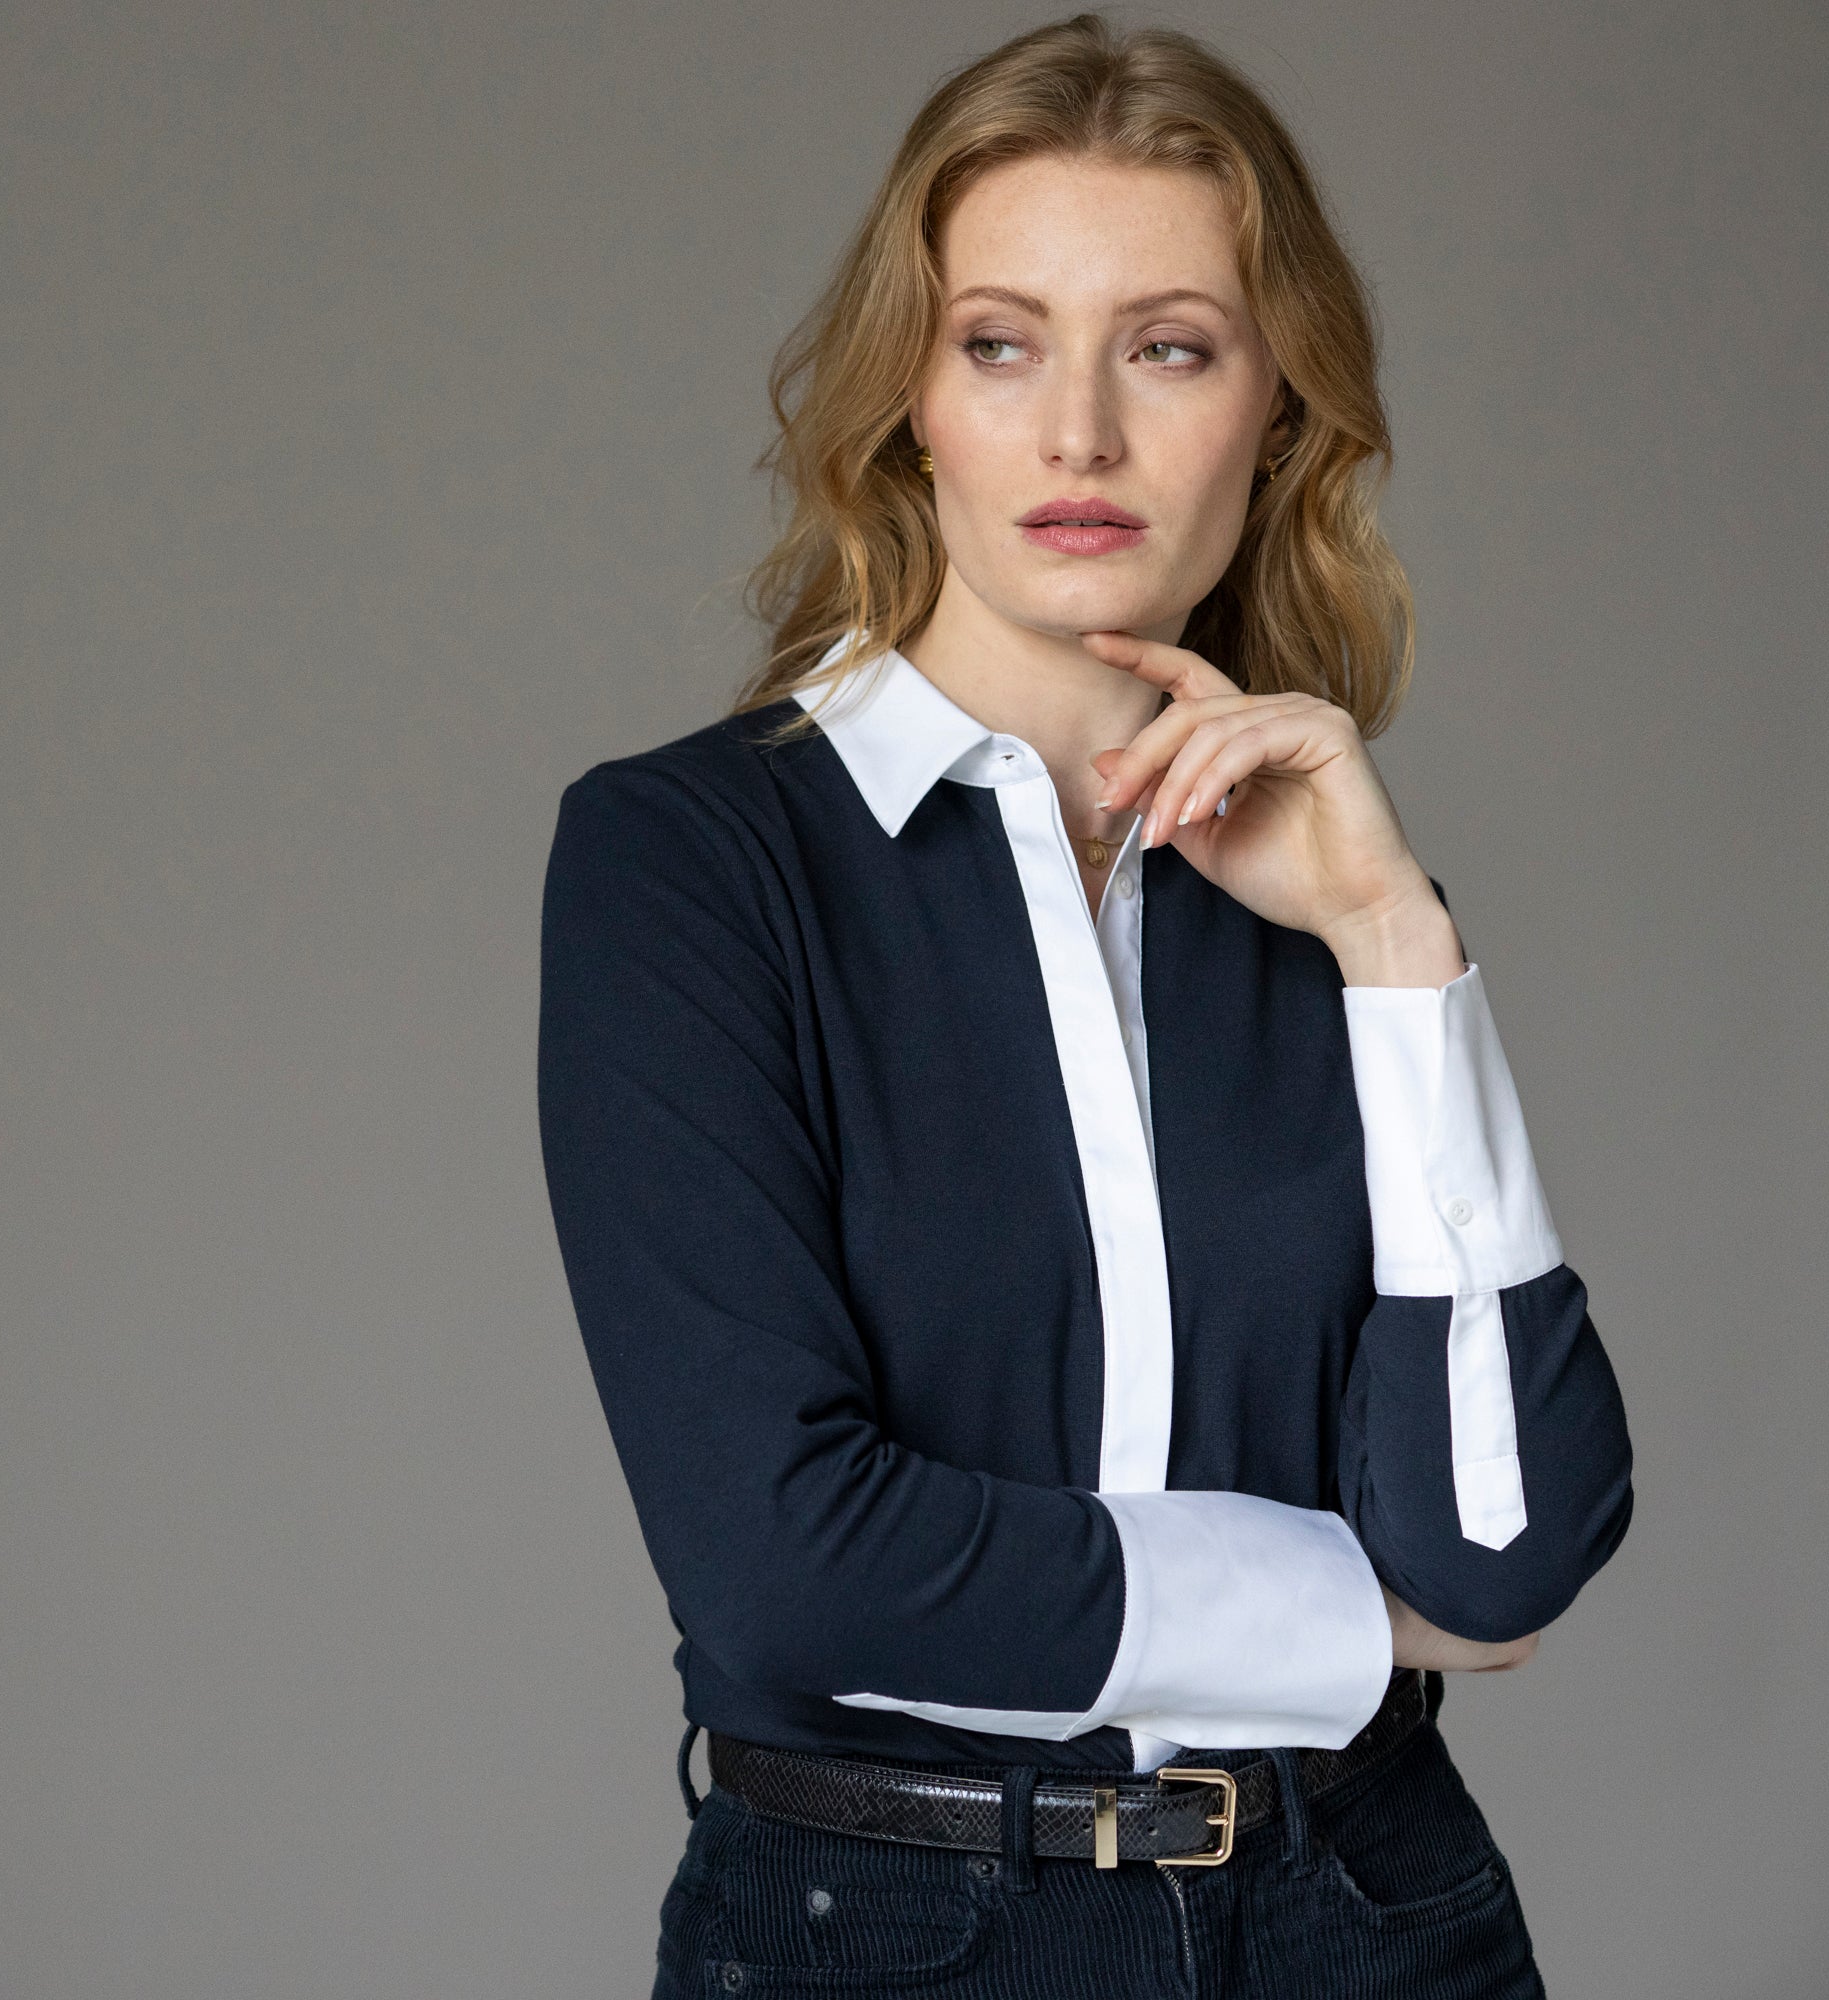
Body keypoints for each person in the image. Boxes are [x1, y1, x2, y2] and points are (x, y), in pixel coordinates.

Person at [536, 16, 1633, 1996]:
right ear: (910, 402)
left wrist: (1395, 937)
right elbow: (787, 1570)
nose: (1081, 437)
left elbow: (1505, 1552)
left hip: (1367, 1913)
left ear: (1281, 407)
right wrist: (1353, 1620)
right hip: (889, 1929)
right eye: (1002, 341)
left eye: (1172, 345)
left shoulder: (1341, 896)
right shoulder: (689, 865)